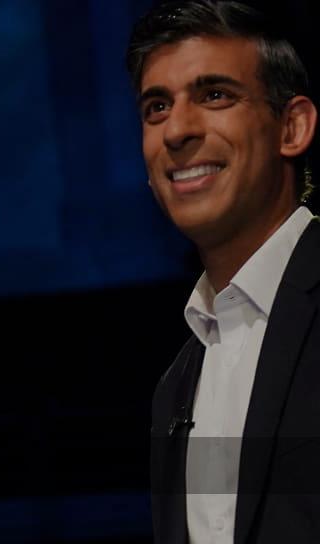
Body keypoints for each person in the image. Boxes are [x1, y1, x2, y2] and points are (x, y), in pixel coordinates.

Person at [125, 1, 319, 542]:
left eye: (214, 95)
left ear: (292, 126)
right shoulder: (174, 386)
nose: (176, 130)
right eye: (157, 107)